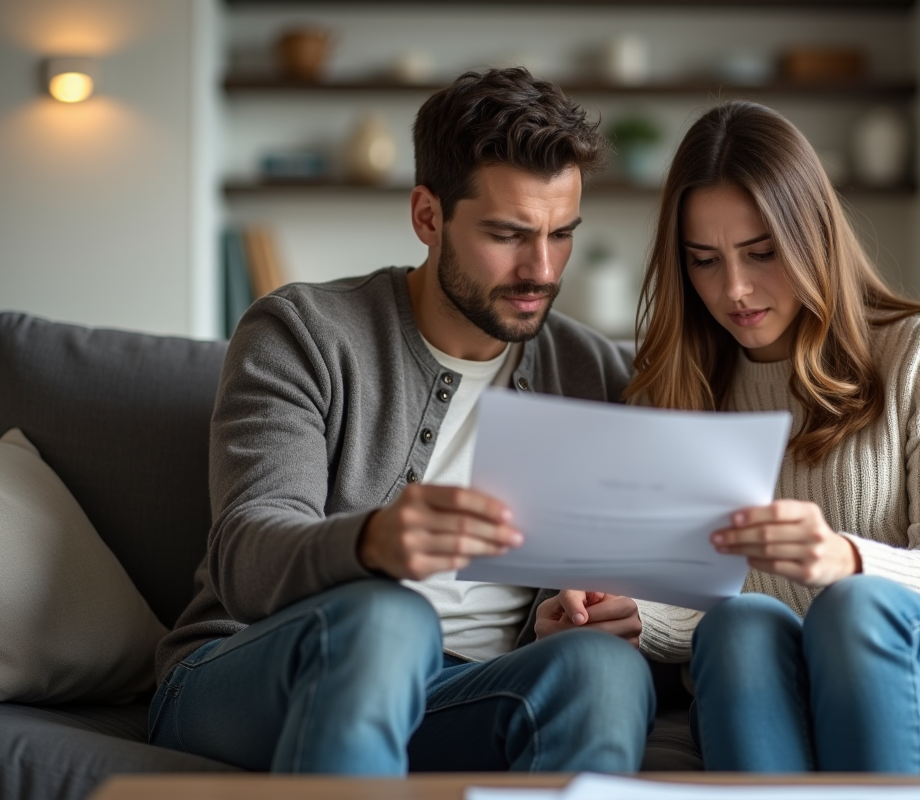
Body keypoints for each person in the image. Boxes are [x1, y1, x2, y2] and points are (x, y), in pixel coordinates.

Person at [149, 68, 681, 775]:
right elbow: (246, 557)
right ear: (428, 216)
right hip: (257, 672)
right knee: (389, 619)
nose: (541, 270)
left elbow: (630, 575)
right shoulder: (303, 331)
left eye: (562, 235)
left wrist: (585, 611)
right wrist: (373, 542)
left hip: (470, 692)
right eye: (508, 234)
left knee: (600, 668)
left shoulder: (596, 375)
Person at [623, 100, 920, 773]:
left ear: (811, 236)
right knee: (737, 625)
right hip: (806, 684)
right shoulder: (677, 389)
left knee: (853, 606)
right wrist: (632, 613)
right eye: (704, 260)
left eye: (761, 253)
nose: (736, 289)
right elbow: (702, 595)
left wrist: (845, 559)